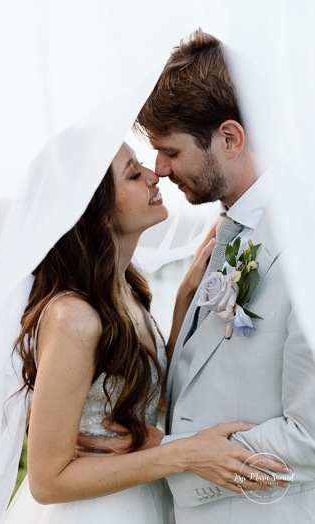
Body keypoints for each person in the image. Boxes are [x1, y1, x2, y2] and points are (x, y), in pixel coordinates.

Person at [80, 30, 315, 522]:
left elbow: (309, 437)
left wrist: (169, 449)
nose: (159, 170)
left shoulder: (303, 239)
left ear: (229, 138)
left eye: (170, 150)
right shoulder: (225, 234)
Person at [2, 141, 290, 523]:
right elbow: (46, 481)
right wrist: (181, 453)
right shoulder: (73, 317)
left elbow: (154, 397)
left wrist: (186, 297)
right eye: (134, 174)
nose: (155, 176)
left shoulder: (126, 292)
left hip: (143, 502)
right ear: (95, 210)